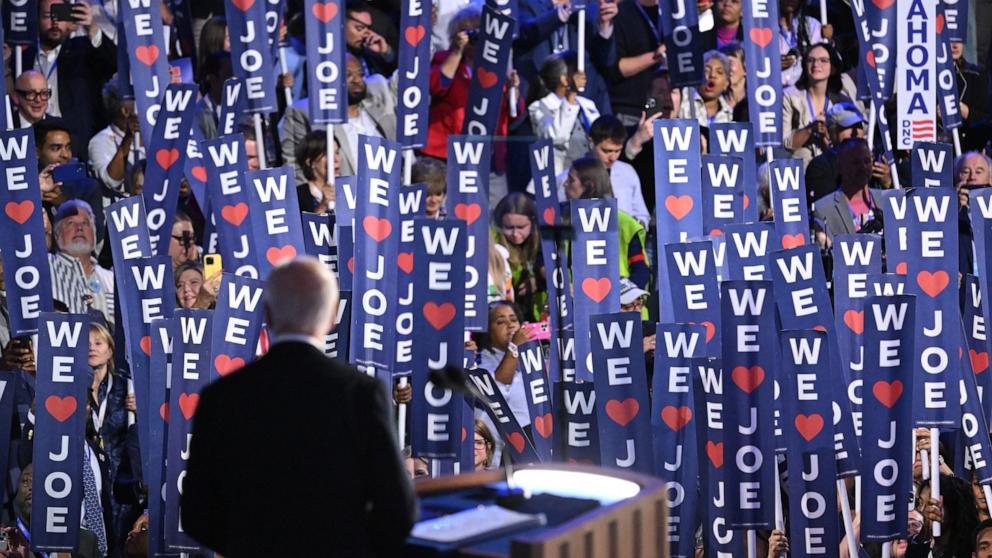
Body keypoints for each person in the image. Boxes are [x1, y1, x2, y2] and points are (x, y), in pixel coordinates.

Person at [182, 257, 416, 556]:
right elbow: (396, 506)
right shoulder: (362, 393)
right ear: (332, 316)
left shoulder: (222, 396)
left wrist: (247, 544)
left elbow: (195, 514)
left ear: (266, 313)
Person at [424, 5, 523, 160]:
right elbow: (437, 86)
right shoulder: (444, 59)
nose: (472, 38)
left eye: (477, 31)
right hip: (446, 151)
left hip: (486, 155)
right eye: (466, 31)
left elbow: (513, 114)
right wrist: (457, 51)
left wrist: (513, 91)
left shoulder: (497, 69)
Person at [279, 53, 396, 182]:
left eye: (360, 74)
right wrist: (317, 198)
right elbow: (294, 167)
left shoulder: (377, 100)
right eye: (348, 75)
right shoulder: (305, 113)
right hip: (340, 198)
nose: (357, 80)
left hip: (389, 193)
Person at [33, 0, 117, 156]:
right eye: (47, 15)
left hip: (76, 143)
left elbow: (113, 64)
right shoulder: (21, 57)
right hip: (35, 140)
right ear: (36, 18)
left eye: (60, 15)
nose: (55, 22)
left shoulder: (82, 49)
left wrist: (92, 27)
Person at [88, 323, 138, 550]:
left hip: (119, 480)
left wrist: (140, 412)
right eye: (86, 344)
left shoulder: (125, 386)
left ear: (110, 350)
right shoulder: (72, 388)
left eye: (98, 343)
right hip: (88, 479)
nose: (92, 348)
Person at [563, 157, 650, 288]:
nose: (565, 184)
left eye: (571, 180)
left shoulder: (624, 223)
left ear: (589, 185)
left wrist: (623, 297)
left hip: (619, 306)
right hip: (574, 306)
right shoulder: (560, 219)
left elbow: (641, 271)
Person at [565, 116, 650, 226]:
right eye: (606, 151)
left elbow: (642, 215)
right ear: (590, 142)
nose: (613, 157)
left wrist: (638, 223)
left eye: (617, 151)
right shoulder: (571, 177)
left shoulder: (628, 173)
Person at [781, 43, 857, 167]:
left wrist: (831, 135)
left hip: (833, 170)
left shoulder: (842, 101)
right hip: (799, 171)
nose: (816, 65)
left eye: (823, 60)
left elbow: (853, 142)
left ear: (833, 68)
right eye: (811, 60)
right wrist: (809, 129)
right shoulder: (789, 96)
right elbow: (785, 143)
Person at [527, 51, 600, 174]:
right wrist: (571, 94)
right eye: (577, 72)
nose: (583, 76)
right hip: (556, 180)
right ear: (564, 79)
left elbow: (600, 138)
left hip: (585, 178)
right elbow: (555, 136)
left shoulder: (587, 104)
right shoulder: (540, 107)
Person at [49, 200, 116, 324]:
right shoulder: (43, 269)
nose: (79, 228)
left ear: (95, 235)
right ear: (57, 234)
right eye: (70, 223)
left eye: (85, 223)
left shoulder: (112, 279)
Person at [812, 138, 882, 246]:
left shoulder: (887, 201)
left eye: (867, 161)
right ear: (840, 166)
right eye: (856, 162)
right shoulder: (823, 209)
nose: (863, 167)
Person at [608, 0, 666, 125]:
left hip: (667, 107)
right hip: (631, 110)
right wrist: (656, 56)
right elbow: (618, 68)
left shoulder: (675, 12)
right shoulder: (621, 12)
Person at [492, 193, 544, 320]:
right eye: (509, 227)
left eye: (521, 227)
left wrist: (538, 283)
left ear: (532, 222)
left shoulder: (542, 241)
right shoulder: (493, 242)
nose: (515, 234)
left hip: (536, 314)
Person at [89, 76, 144, 195]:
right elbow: (111, 181)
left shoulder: (154, 136)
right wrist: (129, 137)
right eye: (141, 102)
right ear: (125, 111)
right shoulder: (101, 141)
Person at [777, 0, 828, 88]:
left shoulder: (812, 25)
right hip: (775, 92)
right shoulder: (764, 27)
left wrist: (829, 41)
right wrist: (772, 66)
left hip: (805, 91)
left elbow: (827, 61)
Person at [677, 50, 735, 127]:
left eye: (719, 72)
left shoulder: (729, 115)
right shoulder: (683, 99)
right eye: (706, 70)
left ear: (726, 83)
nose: (712, 75)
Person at [344, 0, 397, 76]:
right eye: (359, 28)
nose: (366, 35)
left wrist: (385, 52)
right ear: (342, 25)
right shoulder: (330, 55)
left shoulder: (368, 55)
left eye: (368, 28)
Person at [295, 131, 342, 214]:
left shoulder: (349, 189)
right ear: (310, 162)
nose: (336, 159)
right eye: (328, 155)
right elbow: (303, 226)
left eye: (337, 152)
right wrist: (322, 207)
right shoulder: (297, 197)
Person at [719, 42, 747, 108]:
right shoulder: (714, 104)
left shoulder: (755, 104)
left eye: (730, 63)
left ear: (746, 69)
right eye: (722, 64)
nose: (725, 68)